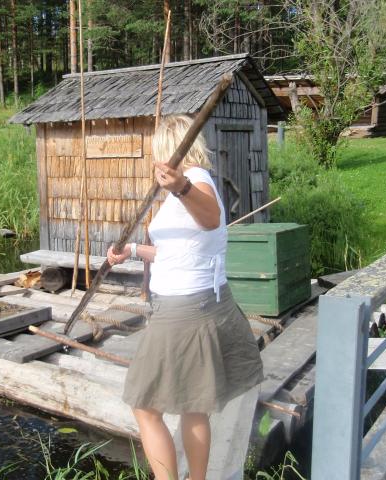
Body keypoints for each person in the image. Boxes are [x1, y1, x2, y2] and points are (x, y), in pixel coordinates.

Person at [106, 115, 264, 480]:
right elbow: (178, 252)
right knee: (195, 407)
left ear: (168, 149)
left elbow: (211, 218)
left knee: (145, 406)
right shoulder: (187, 188)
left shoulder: (195, 183)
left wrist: (181, 188)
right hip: (203, 302)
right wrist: (132, 250)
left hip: (182, 312)